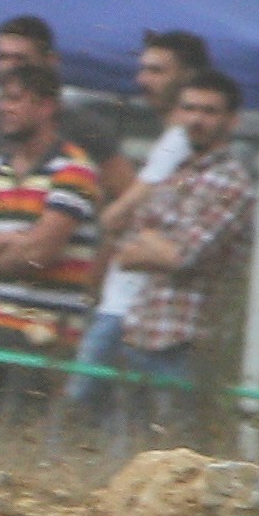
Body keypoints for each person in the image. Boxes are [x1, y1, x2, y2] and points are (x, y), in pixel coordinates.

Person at [96, 71, 259, 450]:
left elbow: (179, 255)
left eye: (209, 111)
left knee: (178, 459)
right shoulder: (175, 175)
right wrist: (151, 244)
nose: (196, 119)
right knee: (124, 457)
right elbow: (118, 238)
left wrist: (150, 244)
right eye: (188, 109)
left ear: (231, 121)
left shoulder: (231, 182)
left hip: (185, 341)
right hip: (139, 330)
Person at [0, 61, 100, 426]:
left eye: (14, 100)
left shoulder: (74, 170)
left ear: (45, 107)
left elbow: (39, 255)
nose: (2, 109)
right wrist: (13, 238)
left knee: (23, 440)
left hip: (45, 334)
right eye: (0, 99)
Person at [68, 32, 215, 428]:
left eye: (156, 70)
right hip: (129, 298)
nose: (142, 80)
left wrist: (113, 216)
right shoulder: (172, 141)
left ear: (188, 76)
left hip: (143, 305)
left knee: (89, 404)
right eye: (143, 69)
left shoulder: (182, 143)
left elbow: (119, 218)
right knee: (123, 413)